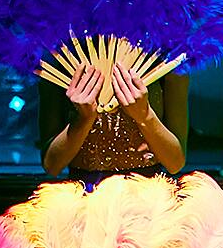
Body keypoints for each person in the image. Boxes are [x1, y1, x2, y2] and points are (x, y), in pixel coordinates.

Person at [39, 61, 189, 186]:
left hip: (146, 198)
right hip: (84, 197)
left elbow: (175, 163)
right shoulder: (60, 58)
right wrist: (83, 120)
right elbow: (52, 165)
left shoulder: (167, 59)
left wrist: (145, 116)